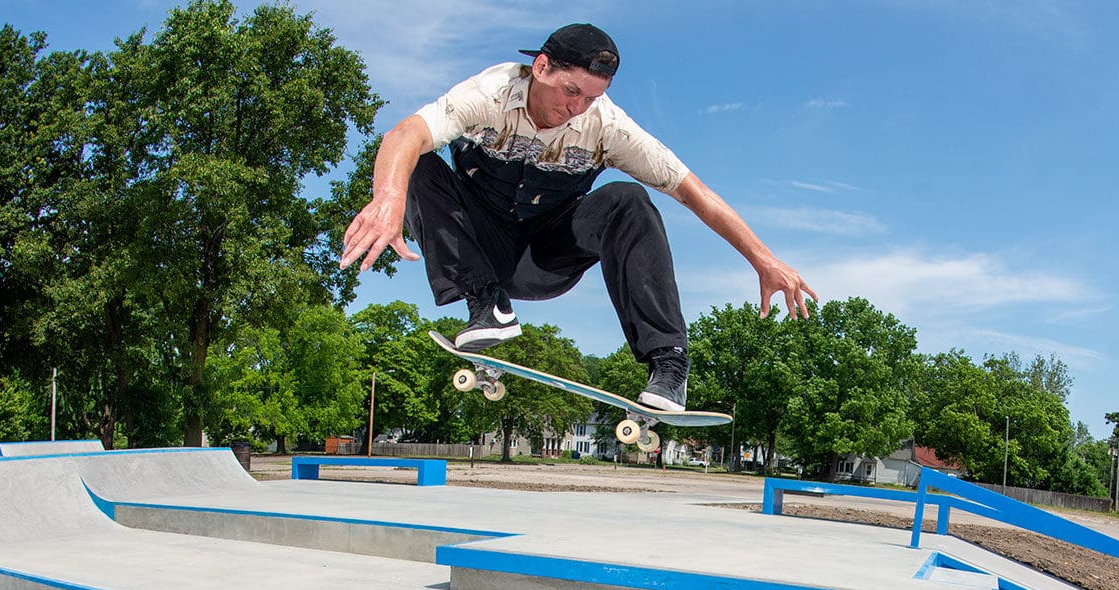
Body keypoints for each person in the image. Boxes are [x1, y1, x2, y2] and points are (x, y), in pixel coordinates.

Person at [337, 22, 815, 412]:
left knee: (628, 199)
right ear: (540, 67)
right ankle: (487, 306)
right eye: (570, 91)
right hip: (478, 248)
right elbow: (406, 132)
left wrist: (763, 259)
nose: (576, 108)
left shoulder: (606, 125)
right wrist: (388, 199)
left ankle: (668, 363)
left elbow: (694, 192)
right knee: (418, 163)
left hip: (545, 257)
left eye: (590, 97)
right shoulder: (490, 92)